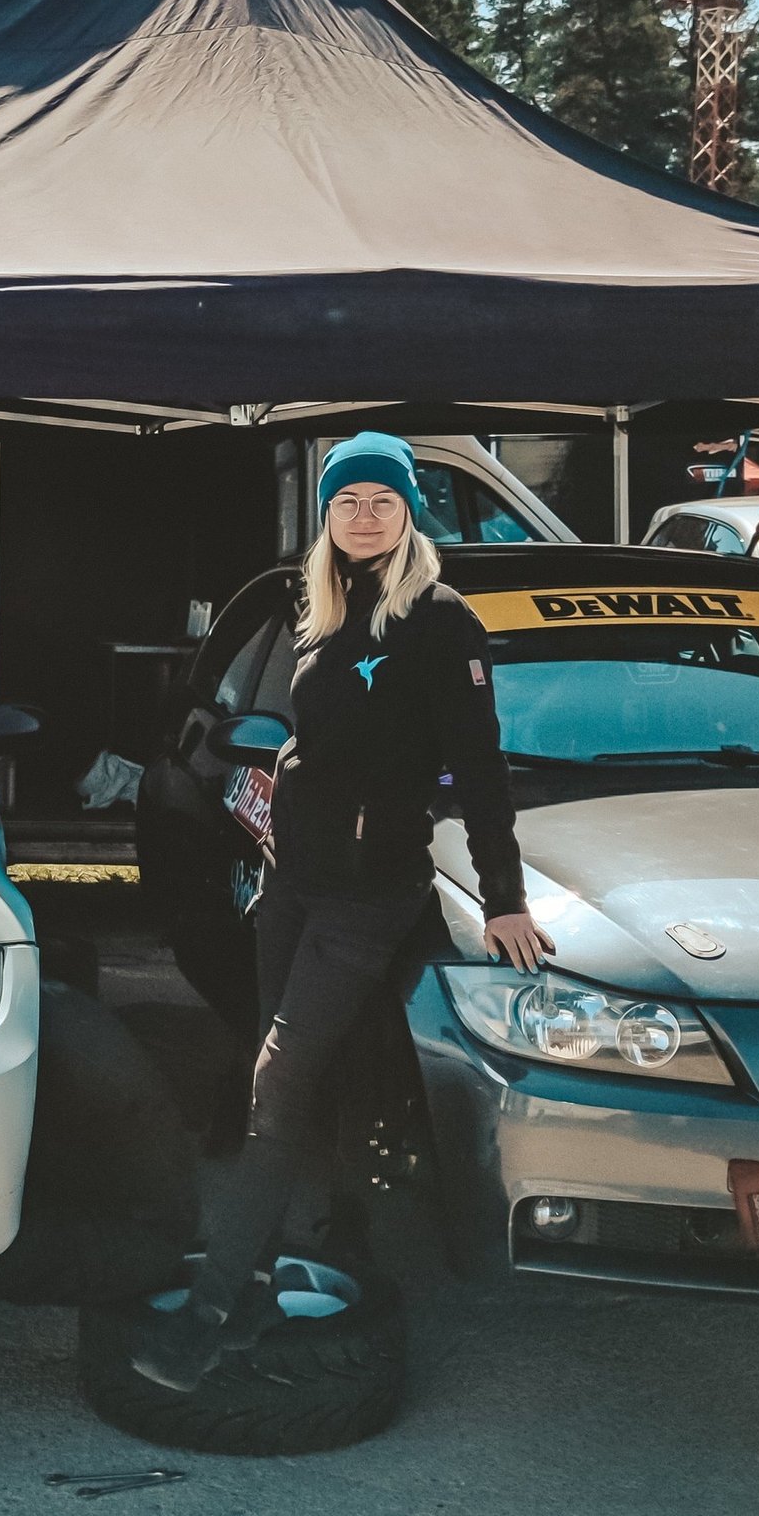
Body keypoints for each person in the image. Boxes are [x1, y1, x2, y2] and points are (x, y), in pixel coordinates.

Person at [132, 431, 554, 1391]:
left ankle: (214, 1311)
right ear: (327, 515)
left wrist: (505, 898)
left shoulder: (441, 619)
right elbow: (312, 737)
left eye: (382, 499)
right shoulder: (319, 609)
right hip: (294, 881)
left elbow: (480, 770)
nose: (364, 515)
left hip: (369, 894)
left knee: (280, 1081)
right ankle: (288, 1251)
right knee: (275, 1078)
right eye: (348, 500)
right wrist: (286, 778)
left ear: (411, 513)